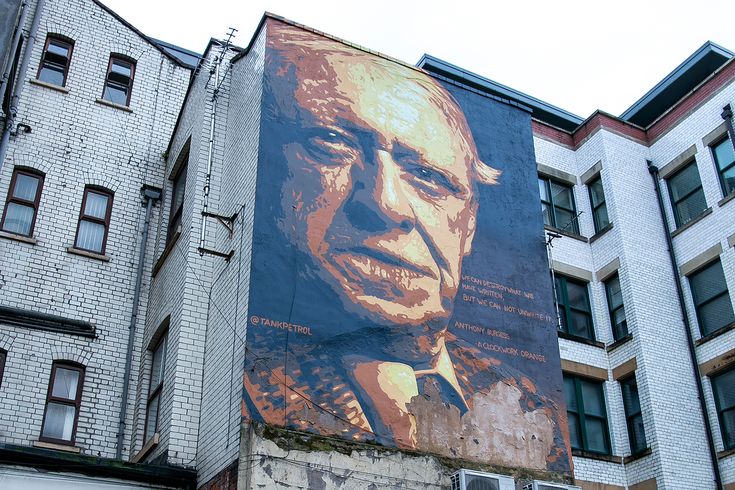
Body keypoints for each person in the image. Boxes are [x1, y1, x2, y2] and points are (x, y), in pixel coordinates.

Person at [243, 20, 570, 473]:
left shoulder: (532, 409)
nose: (384, 203)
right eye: (332, 145)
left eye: (430, 178)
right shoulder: (243, 378)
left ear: (469, 227)